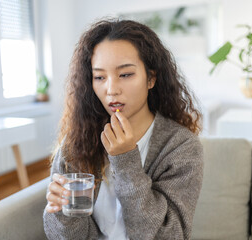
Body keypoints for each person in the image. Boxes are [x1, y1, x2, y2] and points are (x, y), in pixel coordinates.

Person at [43, 18, 204, 240]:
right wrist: (63, 212)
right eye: (99, 77)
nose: (111, 89)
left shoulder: (180, 147)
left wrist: (126, 160)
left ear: (151, 78)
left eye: (125, 74)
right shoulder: (77, 143)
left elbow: (169, 236)